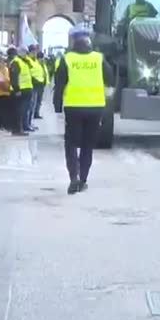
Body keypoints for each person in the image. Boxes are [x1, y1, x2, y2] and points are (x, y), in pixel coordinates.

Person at [53, 25, 112, 194]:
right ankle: (83, 180)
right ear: (89, 41)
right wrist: (106, 103)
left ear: (73, 41)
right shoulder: (98, 59)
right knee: (88, 145)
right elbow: (110, 80)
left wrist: (57, 106)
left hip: (73, 108)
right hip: (95, 108)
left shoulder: (67, 59)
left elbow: (59, 85)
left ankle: (74, 178)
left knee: (71, 143)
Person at [29, 45, 47, 119]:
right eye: (33, 51)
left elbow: (43, 73)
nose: (34, 52)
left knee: (38, 101)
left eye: (35, 51)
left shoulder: (40, 63)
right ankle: (31, 117)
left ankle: (36, 114)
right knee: (32, 102)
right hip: (34, 84)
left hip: (41, 84)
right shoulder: (31, 61)